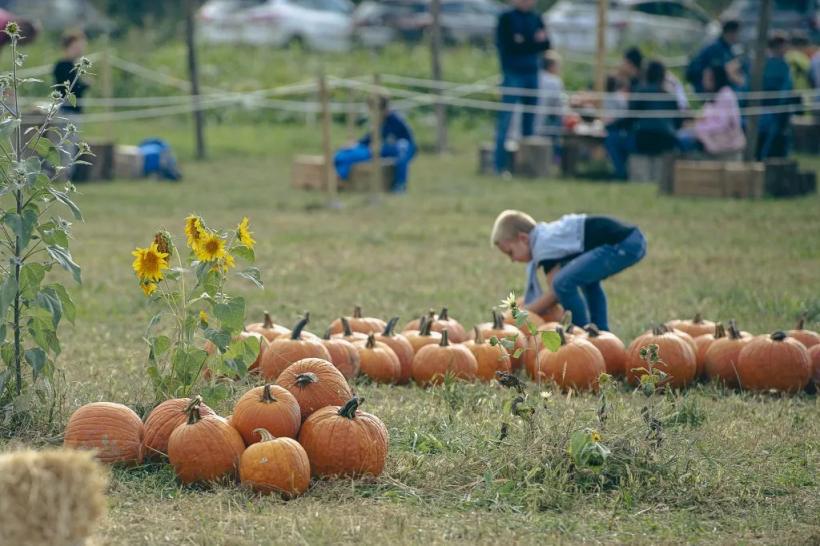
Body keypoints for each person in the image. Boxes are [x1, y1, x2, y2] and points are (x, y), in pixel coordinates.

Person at [491, 210, 646, 331]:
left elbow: (555, 292)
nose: (512, 260)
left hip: (624, 244)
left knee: (563, 283)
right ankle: (600, 332)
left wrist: (525, 313)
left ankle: (581, 334)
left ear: (523, 238)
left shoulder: (544, 246)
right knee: (584, 281)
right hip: (631, 240)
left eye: (510, 252)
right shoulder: (546, 238)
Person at [493, 0, 551, 175]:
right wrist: (531, 41)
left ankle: (527, 166)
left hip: (532, 72)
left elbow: (546, 44)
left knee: (530, 122)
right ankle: (500, 166)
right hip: (513, 73)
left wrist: (524, 41)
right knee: (506, 121)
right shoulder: (506, 18)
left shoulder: (536, 18)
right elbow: (509, 45)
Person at [333, 97, 416, 193]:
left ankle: (400, 185)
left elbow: (407, 141)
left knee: (402, 146)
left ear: (382, 109)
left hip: (401, 149)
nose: (371, 113)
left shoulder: (396, 120)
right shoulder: (378, 121)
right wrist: (355, 144)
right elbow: (369, 138)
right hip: (382, 149)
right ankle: (340, 177)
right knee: (348, 154)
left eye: (372, 110)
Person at [677, 63, 745, 155]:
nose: (704, 81)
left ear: (715, 79)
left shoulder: (726, 95)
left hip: (724, 139)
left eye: (707, 78)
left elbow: (721, 123)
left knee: (683, 139)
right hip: (711, 136)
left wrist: (698, 128)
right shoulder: (713, 96)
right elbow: (706, 118)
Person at [758, 34, 800, 160]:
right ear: (777, 47)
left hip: (776, 110)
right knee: (768, 141)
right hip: (772, 110)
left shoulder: (780, 64)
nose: (786, 49)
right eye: (784, 46)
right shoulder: (776, 65)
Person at [604, 48, 643, 180]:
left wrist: (612, 125)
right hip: (638, 130)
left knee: (612, 139)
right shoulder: (636, 82)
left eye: (623, 62)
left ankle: (621, 174)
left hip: (640, 133)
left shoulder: (639, 85)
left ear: (629, 63)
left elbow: (633, 116)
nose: (621, 65)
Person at [629, 60, 680, 157]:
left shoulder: (640, 92)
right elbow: (678, 122)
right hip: (666, 139)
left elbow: (630, 118)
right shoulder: (670, 95)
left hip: (644, 139)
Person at [686, 20, 742, 93]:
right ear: (730, 33)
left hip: (718, 87)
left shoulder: (728, 48)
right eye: (737, 33)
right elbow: (715, 71)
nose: (738, 36)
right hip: (704, 86)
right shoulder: (715, 47)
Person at [53, 30, 89, 114]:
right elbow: (71, 88)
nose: (80, 50)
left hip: (73, 109)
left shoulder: (73, 64)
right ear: (67, 47)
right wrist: (85, 84)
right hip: (66, 110)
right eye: (76, 47)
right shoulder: (63, 65)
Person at [534, 50, 565, 139]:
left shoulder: (531, 77)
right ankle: (556, 151)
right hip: (540, 130)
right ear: (552, 66)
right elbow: (559, 108)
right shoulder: (554, 81)